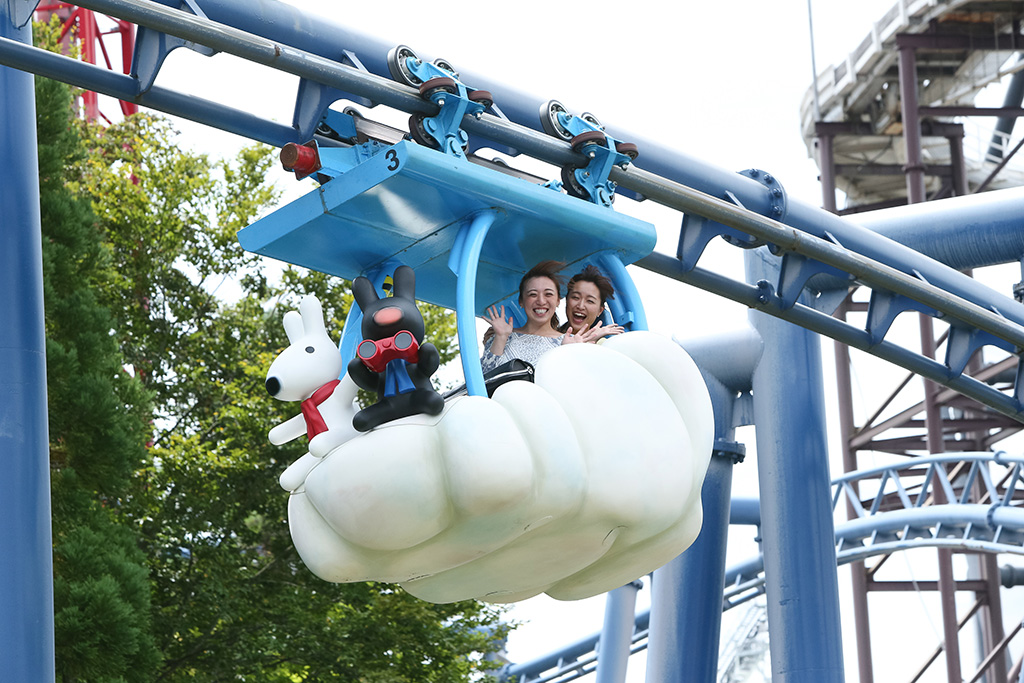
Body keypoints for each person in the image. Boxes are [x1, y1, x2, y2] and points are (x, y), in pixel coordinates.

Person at [481, 260, 599, 373]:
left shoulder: (571, 342)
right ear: (521, 301)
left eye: (548, 294)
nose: (541, 301)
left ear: (558, 301)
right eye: (533, 294)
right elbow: (485, 378)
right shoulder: (503, 337)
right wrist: (500, 337)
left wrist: (569, 353)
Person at [560, 264, 624, 340]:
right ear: (567, 300)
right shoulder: (550, 338)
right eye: (576, 297)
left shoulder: (603, 345)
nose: (580, 306)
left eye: (590, 301)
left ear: (600, 311)